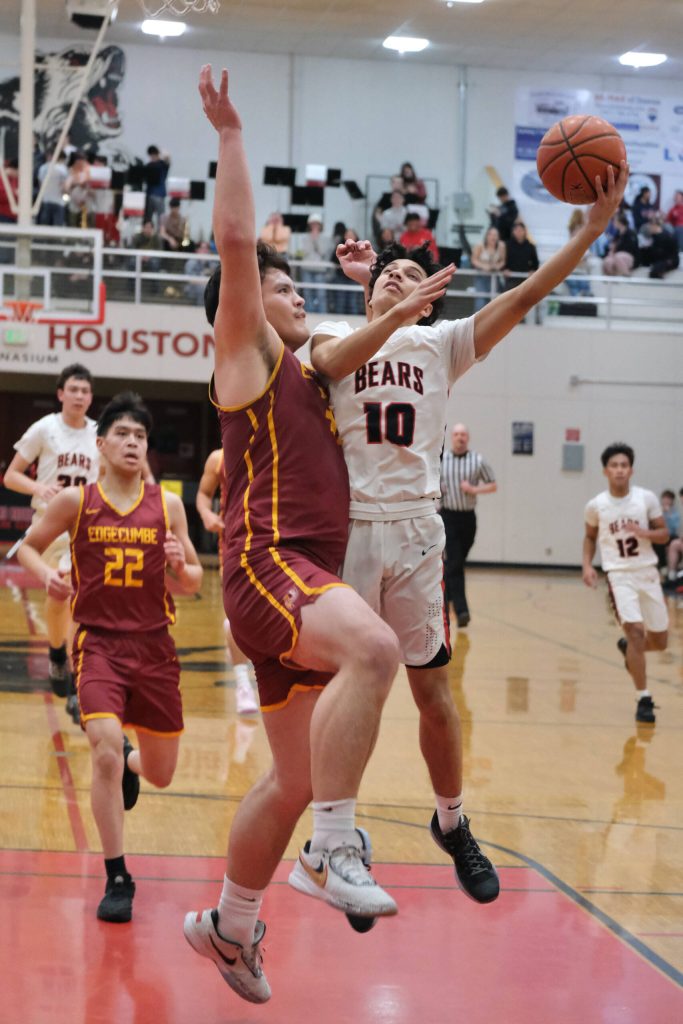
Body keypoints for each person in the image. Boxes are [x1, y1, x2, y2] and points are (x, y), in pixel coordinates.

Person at [309, 156, 628, 912]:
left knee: (434, 694)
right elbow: (329, 358)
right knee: (342, 695)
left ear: (428, 302)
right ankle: (338, 841)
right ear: (365, 287)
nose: (395, 276)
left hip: (418, 533)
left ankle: (451, 821)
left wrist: (584, 235)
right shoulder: (331, 334)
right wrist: (377, 300)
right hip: (349, 531)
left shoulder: (440, 343)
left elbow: (523, 295)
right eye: (385, 271)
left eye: (410, 274)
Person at [185, 65, 403, 1005]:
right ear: (245, 307)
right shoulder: (245, 355)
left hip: (302, 570)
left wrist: (385, 298)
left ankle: (228, 926)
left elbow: (365, 345)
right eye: (280, 285)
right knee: (377, 649)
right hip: (269, 567)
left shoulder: (309, 375)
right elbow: (236, 240)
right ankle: (334, 846)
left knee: (290, 776)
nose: (291, 290)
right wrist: (232, 136)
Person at [17, 391, 202, 922]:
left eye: (140, 436)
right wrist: (47, 575)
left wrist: (177, 566)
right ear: (101, 445)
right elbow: (27, 545)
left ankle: (130, 762)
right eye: (122, 434)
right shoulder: (77, 502)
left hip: (155, 649)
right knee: (101, 750)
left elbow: (190, 583)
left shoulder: (167, 506)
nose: (132, 443)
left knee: (162, 773)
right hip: (98, 645)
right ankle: (117, 874)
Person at [4, 365, 99, 715]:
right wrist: (39, 487)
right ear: (61, 393)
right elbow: (11, 476)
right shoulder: (44, 429)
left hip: (84, 527)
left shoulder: (100, 434)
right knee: (58, 597)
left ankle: (77, 681)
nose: (79, 396)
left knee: (77, 597)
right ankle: (57, 650)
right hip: (48, 523)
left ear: (90, 397)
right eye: (73, 389)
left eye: (85, 391)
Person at [582, 443, 669, 724]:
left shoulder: (645, 499)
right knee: (634, 631)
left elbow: (664, 535)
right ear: (606, 471)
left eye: (624, 465)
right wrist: (587, 565)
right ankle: (643, 697)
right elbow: (590, 538)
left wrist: (644, 531)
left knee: (659, 640)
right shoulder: (596, 505)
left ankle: (630, 651)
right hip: (619, 575)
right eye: (614, 466)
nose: (619, 470)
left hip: (647, 573)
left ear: (630, 470)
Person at [196, 447, 259, 715]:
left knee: (259, 617)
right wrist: (207, 514)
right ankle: (242, 681)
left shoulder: (277, 444)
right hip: (233, 544)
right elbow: (203, 495)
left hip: (274, 543)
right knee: (236, 617)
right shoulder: (218, 458)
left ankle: (248, 657)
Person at [439, 424, 497, 627]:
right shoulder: (441, 459)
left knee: (454, 563)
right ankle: (461, 611)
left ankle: (446, 603)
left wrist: (473, 489)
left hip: (468, 518)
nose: (459, 437)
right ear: (451, 437)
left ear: (468, 438)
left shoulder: (477, 460)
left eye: (463, 434)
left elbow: (493, 484)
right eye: (456, 434)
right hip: (447, 516)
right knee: (454, 561)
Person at [298, 213, 331, 313]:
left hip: (320, 269)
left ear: (320, 225)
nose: (314, 226)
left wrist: (316, 239)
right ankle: (308, 314)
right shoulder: (305, 237)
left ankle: (322, 315)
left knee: (321, 294)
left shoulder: (325, 238)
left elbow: (322, 251)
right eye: (312, 224)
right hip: (307, 268)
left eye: (316, 224)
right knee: (307, 294)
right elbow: (305, 251)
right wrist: (311, 238)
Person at [471, 226, 505, 310]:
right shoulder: (480, 245)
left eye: (495, 235)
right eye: (491, 235)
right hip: (481, 276)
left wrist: (496, 267)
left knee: (495, 300)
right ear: (487, 236)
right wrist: (484, 266)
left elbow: (503, 261)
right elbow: (474, 260)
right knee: (481, 300)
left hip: (494, 276)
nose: (493, 237)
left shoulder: (501, 246)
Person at [639, 215, 680, 279]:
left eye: (650, 226)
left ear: (654, 226)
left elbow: (666, 253)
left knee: (657, 268)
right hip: (659, 259)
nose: (649, 228)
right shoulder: (653, 237)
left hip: (668, 260)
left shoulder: (667, 236)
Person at [565, 210, 593, 296]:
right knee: (576, 282)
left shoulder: (582, 247)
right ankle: (579, 299)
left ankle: (581, 299)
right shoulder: (571, 247)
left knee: (582, 282)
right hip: (576, 269)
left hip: (579, 268)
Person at [36, 151, 67, 226]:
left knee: (44, 226)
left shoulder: (43, 168)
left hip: (46, 200)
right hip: (58, 201)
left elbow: (40, 184)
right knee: (57, 227)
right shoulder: (62, 168)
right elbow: (64, 186)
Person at [143, 145, 170, 225]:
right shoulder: (148, 166)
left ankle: (160, 234)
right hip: (149, 194)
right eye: (151, 155)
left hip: (159, 195)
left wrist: (163, 156)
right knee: (148, 218)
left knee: (161, 218)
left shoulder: (162, 165)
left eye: (154, 155)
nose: (152, 157)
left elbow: (167, 158)